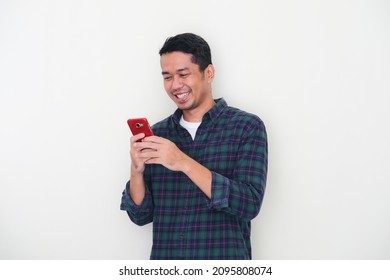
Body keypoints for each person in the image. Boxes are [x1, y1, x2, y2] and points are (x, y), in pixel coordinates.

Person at [120, 33, 268, 260]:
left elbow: (248, 204)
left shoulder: (246, 127)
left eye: (183, 74)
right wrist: (136, 171)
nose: (175, 85)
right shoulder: (158, 135)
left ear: (209, 73)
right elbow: (140, 216)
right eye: (167, 77)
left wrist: (182, 162)